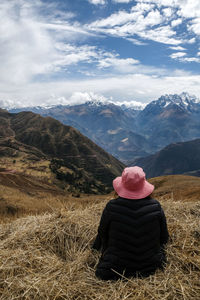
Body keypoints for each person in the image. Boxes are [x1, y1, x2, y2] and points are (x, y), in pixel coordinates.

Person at [92, 166, 169, 280]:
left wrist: (95, 250)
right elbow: (164, 238)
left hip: (115, 268)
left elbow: (102, 234)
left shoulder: (111, 207)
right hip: (151, 266)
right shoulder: (155, 207)